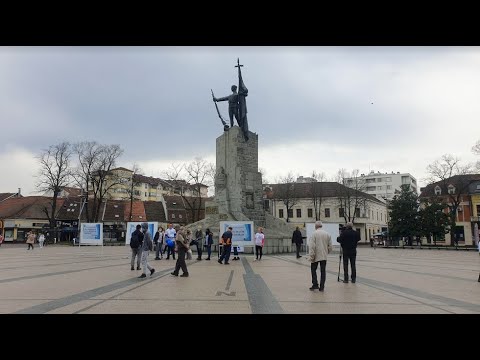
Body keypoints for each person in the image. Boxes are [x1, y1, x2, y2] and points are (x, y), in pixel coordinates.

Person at [307, 221, 332, 291]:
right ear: (321, 226)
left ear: (315, 226)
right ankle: (322, 287)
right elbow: (330, 246)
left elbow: (312, 246)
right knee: (323, 271)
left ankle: (315, 284)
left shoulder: (313, 234)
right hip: (323, 256)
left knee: (313, 270)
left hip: (315, 255)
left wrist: (311, 256)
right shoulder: (327, 234)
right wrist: (326, 252)